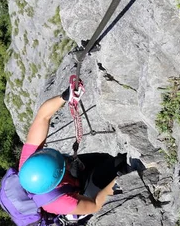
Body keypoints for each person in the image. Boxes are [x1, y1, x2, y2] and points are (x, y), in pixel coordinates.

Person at [19, 88, 129, 216]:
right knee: (121, 166)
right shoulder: (58, 202)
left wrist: (64, 97)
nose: (66, 161)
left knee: (107, 160)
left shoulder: (31, 162)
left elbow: (43, 117)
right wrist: (119, 180)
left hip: (72, 174)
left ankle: (115, 163)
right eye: (64, 164)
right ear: (59, 178)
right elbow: (95, 205)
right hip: (82, 189)